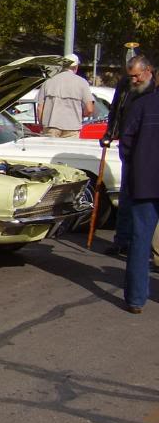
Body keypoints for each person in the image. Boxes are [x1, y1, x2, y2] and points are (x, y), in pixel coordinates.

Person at [100, 54, 156, 256]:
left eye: (137, 76)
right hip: (129, 147)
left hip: (149, 151)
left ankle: (145, 245)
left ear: (148, 71)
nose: (134, 80)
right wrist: (109, 132)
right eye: (131, 76)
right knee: (126, 195)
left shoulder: (153, 89)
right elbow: (116, 109)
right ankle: (122, 239)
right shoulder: (125, 85)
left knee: (146, 201)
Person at [118, 86, 159, 313]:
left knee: (140, 240)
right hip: (144, 181)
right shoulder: (142, 105)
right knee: (140, 240)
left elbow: (126, 144)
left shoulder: (142, 105)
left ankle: (135, 298)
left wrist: (136, 170)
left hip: (145, 182)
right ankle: (135, 297)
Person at [35, 54, 94, 137]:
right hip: (72, 127)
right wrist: (81, 115)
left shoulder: (48, 81)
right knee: (68, 150)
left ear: (62, 65)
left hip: (50, 126)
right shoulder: (82, 82)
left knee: (50, 150)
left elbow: (39, 107)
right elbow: (90, 109)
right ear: (76, 67)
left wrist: (41, 124)